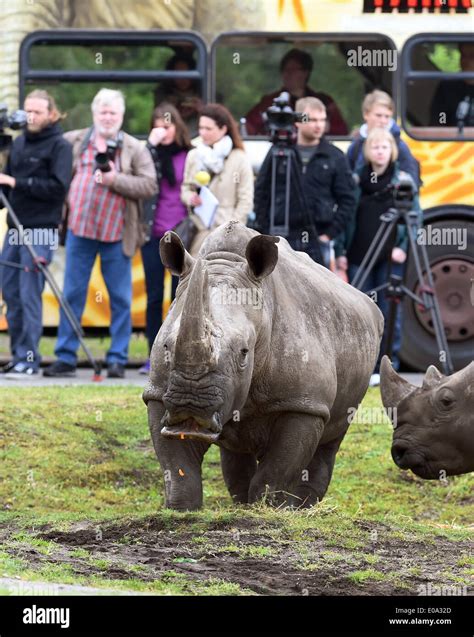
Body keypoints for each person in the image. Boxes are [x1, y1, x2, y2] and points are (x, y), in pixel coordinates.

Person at [43, 88, 157, 378]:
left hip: (117, 233)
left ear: (121, 116)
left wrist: (114, 179)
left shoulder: (134, 147)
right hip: (80, 231)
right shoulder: (75, 140)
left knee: (119, 298)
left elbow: (149, 185)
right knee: (71, 294)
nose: (108, 117)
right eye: (103, 112)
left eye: (113, 113)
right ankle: (66, 357)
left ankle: (117, 359)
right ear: (95, 114)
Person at [335, 128, 422, 385]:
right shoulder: (356, 180)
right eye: (375, 147)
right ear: (367, 151)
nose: (380, 151)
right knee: (360, 312)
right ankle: (363, 367)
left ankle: (388, 366)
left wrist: (404, 246)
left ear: (392, 150)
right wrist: (340, 252)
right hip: (359, 254)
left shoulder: (403, 180)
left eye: (384, 147)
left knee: (389, 311)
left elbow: (416, 219)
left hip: (389, 256)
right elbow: (346, 217)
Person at [0, 90, 72, 378]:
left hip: (41, 230)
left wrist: (17, 182)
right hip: (15, 228)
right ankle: (18, 356)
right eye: (27, 110)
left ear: (52, 114)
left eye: (37, 111)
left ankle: (30, 360)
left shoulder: (60, 146)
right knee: (11, 293)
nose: (31, 116)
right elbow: (5, 188)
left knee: (30, 294)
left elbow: (58, 187)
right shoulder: (17, 145)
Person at [254, 97, 356, 268]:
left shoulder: (334, 156)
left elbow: (348, 200)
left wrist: (329, 234)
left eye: (322, 120)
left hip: (317, 237)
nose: (319, 125)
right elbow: (261, 193)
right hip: (280, 237)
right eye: (312, 119)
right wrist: (264, 231)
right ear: (298, 121)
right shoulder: (278, 152)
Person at [140, 103, 192, 374]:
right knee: (153, 297)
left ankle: (178, 356)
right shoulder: (147, 155)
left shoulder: (190, 154)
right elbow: (137, 170)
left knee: (178, 297)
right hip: (152, 234)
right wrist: (150, 144)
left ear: (178, 127)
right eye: (157, 125)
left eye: (167, 125)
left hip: (181, 235)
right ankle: (153, 354)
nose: (163, 131)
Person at [181, 103, 254, 256]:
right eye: (201, 128)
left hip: (229, 236)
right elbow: (185, 189)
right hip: (199, 232)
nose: (203, 133)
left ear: (223, 129)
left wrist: (232, 230)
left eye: (208, 129)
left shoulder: (239, 158)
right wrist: (190, 198)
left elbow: (245, 200)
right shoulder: (194, 155)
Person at [245, 48, 348, 136]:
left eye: (293, 70)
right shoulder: (270, 102)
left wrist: (324, 125)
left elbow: (341, 132)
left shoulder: (324, 102)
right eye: (285, 70)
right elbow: (247, 126)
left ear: (305, 73)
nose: (288, 74)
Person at [347, 90, 421, 187]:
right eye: (378, 115)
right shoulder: (356, 146)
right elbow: (346, 180)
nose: (383, 121)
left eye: (387, 116)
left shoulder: (399, 146)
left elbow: (412, 183)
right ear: (366, 114)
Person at [154, 52, 203, 137]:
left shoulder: (204, 92)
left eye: (186, 73)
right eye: (178, 74)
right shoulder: (163, 96)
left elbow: (212, 126)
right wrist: (169, 110)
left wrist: (201, 110)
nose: (182, 79)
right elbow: (164, 126)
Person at [429, 42, 474, 127]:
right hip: (452, 139)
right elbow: (440, 117)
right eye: (463, 55)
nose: (466, 61)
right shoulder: (447, 86)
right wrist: (444, 129)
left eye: (472, 56)